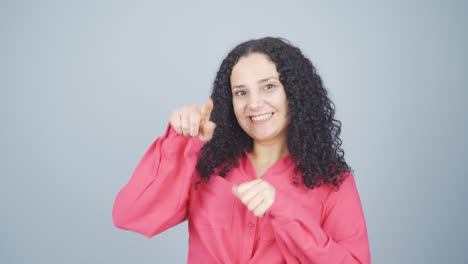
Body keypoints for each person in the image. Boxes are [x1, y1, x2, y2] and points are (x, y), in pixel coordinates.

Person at [112, 37, 371, 263]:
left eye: (269, 86)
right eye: (241, 92)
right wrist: (178, 142)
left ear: (294, 93)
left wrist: (284, 210)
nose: (254, 104)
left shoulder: (333, 181)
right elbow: (130, 215)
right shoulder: (205, 165)